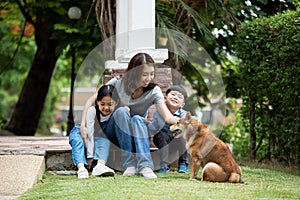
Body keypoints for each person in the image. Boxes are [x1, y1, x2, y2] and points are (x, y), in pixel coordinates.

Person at [80, 52, 180, 179]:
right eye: (144, 74)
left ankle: (145, 166)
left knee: (138, 119)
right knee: (121, 111)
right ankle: (129, 165)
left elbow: (168, 117)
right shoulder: (118, 83)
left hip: (138, 133)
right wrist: (83, 125)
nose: (148, 78)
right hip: (115, 132)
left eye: (151, 74)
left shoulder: (154, 91)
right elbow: (90, 101)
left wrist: (183, 120)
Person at [69, 85, 119, 179]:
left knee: (104, 142)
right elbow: (89, 134)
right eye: (102, 104)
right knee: (77, 140)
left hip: (98, 136)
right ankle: (81, 168)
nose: (106, 108)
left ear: (116, 103)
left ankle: (100, 165)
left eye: (110, 104)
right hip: (83, 133)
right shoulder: (92, 111)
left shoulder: (116, 113)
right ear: (97, 102)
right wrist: (89, 157)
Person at [147, 85, 189, 174]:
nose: (175, 97)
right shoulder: (159, 113)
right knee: (161, 134)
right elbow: (154, 127)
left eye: (179, 97)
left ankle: (183, 163)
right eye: (173, 94)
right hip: (162, 141)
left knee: (183, 135)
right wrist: (147, 125)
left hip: (177, 143)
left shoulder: (185, 115)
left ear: (182, 104)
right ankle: (164, 165)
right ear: (165, 98)